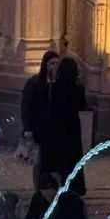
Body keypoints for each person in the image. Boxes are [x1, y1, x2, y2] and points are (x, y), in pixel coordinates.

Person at [40, 57, 88, 197]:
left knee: (55, 161)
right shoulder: (78, 90)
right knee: (71, 162)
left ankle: (54, 187)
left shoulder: (53, 88)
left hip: (54, 130)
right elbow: (82, 105)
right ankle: (72, 189)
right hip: (70, 130)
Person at [20, 50, 60, 186]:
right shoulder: (34, 82)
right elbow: (26, 107)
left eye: (57, 63)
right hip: (39, 130)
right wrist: (28, 128)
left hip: (55, 130)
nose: (55, 66)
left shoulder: (60, 84)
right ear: (45, 65)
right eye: (51, 63)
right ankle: (38, 188)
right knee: (38, 162)